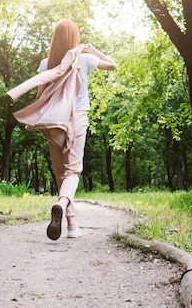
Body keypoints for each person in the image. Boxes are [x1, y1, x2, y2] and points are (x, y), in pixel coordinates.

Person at [36, 19, 117, 240]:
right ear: (75, 38)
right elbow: (113, 64)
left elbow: (39, 96)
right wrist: (93, 49)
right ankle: (62, 204)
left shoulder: (46, 63)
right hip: (78, 117)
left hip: (54, 121)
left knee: (61, 173)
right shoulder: (85, 59)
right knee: (73, 171)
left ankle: (71, 223)